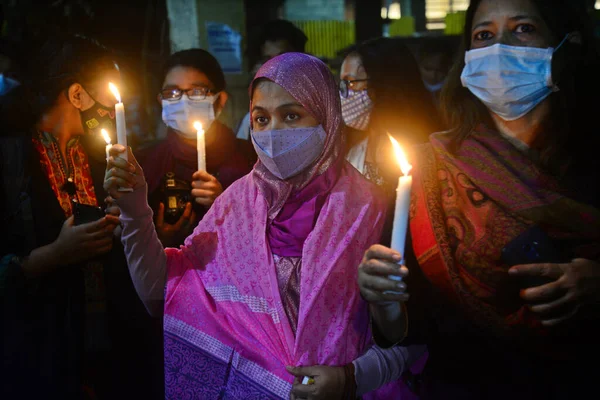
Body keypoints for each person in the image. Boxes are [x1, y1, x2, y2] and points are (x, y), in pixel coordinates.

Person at [105, 52, 415, 399]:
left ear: (327, 116)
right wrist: (135, 210)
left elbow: (414, 341)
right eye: (261, 119)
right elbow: (162, 293)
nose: (273, 133)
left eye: (291, 115)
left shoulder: (370, 208)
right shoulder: (236, 207)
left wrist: (350, 379)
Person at [358, 0, 600, 399]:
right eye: (483, 36)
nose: (498, 49)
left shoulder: (591, 160)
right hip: (464, 384)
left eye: (522, 29)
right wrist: (383, 302)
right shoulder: (431, 170)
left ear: (566, 45)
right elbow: (409, 326)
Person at [0, 33, 163, 399]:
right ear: (77, 95)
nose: (115, 107)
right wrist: (52, 256)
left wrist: (131, 225)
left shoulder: (95, 154)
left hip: (107, 353)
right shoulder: (10, 159)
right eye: (109, 95)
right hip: (37, 358)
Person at [136, 49, 253, 247]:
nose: (183, 101)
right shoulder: (144, 163)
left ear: (220, 100)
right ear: (161, 101)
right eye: (172, 92)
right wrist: (159, 240)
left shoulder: (250, 159)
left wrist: (224, 206)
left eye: (197, 92)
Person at [340, 37, 443, 192]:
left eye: (351, 82)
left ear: (383, 85)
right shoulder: (351, 149)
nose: (344, 93)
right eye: (342, 83)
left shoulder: (423, 154)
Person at [236, 19, 308, 141]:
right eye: (267, 60)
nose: (275, 67)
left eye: (283, 57)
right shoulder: (249, 123)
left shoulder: (315, 115)